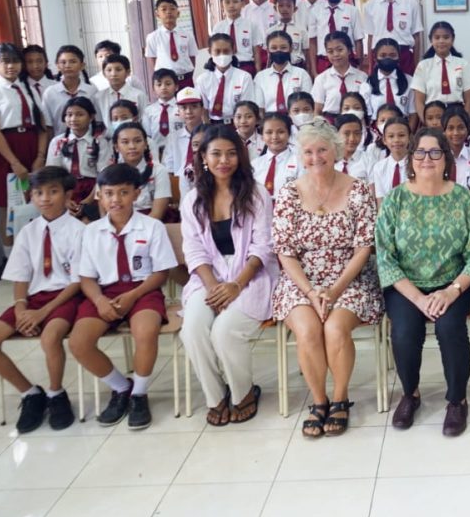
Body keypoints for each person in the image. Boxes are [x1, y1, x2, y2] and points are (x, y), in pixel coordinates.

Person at [271, 121, 382, 437]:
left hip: (350, 278)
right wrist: (309, 289)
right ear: (300, 155)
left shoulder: (357, 189)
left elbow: (364, 246)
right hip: (301, 279)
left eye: (322, 149)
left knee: (334, 329)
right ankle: (318, 401)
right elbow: (285, 251)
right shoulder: (289, 193)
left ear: (336, 150)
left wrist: (334, 290)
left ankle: (340, 398)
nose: (315, 157)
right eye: (308, 151)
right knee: (307, 330)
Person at [376, 128, 470, 436]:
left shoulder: (463, 198)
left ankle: (457, 399)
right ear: (411, 159)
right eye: (420, 152)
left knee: (450, 328)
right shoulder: (396, 199)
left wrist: (451, 292)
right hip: (406, 286)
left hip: (453, 283)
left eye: (435, 152)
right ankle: (410, 394)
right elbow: (384, 256)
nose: (427, 159)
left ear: (446, 159)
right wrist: (418, 298)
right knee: (404, 330)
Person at [0, 166, 84, 433]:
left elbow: (78, 281)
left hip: (65, 298)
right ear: (31, 197)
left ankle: (56, 394)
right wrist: (22, 308)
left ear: (68, 195)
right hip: (33, 300)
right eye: (38, 193)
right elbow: (20, 276)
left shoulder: (78, 230)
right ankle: (31, 394)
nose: (45, 198)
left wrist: (42, 313)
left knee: (50, 337)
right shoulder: (28, 232)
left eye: (53, 192)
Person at [68, 164, 177, 429]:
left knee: (145, 332)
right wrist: (99, 301)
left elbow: (161, 273)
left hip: (143, 290)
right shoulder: (91, 232)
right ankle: (121, 387)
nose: (116, 199)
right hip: (104, 293)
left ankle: (139, 393)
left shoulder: (152, 227)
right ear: (99, 196)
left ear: (137, 194)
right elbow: (86, 277)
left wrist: (133, 296)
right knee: (79, 342)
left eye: (123, 192)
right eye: (109, 193)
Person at [180, 125, 275, 426]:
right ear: (204, 158)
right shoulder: (192, 199)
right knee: (193, 329)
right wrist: (213, 288)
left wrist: (235, 285)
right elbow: (194, 250)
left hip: (251, 275)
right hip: (208, 278)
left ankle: (244, 393)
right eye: (216, 153)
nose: (224, 160)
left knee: (225, 331)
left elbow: (264, 246)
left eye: (231, 153)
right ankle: (215, 397)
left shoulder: (257, 193)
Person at [0, 43, 49, 244]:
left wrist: (40, 157)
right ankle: (10, 261)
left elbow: (42, 126)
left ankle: (37, 253)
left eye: (16, 61)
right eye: (6, 62)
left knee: (37, 200)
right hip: (6, 150)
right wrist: (14, 163)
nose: (12, 66)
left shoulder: (27, 87)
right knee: (10, 205)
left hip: (32, 144)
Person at [46, 96, 108, 220]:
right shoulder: (57, 141)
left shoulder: (100, 142)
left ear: (91, 117)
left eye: (80, 114)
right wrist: (65, 199)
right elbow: (53, 175)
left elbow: (103, 175)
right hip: (65, 189)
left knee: (88, 223)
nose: (73, 119)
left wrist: (87, 201)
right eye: (69, 115)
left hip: (93, 191)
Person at [363, 0, 424, 74]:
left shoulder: (411, 4)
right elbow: (370, 37)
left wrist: (417, 65)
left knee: (406, 90)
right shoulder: (370, 5)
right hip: (380, 56)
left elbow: (417, 36)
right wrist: (371, 66)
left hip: (404, 55)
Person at [412, 21, 470, 119]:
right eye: (437, 38)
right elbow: (419, 101)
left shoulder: (463, 64)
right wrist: (426, 121)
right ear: (431, 40)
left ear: (453, 39)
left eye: (446, 37)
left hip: (457, 114)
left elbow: (469, 99)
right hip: (432, 116)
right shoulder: (423, 66)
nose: (441, 41)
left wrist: (464, 120)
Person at [308, 0, 363, 75]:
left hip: (347, 61)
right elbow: (312, 42)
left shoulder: (352, 11)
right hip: (323, 60)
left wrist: (359, 66)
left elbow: (358, 40)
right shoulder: (315, 11)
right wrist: (314, 71)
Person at [196, 34, 256, 123]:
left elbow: (246, 108)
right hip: (213, 124)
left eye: (226, 51)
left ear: (233, 51)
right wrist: (208, 130)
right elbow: (203, 111)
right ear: (210, 52)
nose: (222, 55)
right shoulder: (202, 79)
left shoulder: (244, 77)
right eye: (217, 51)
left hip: (238, 124)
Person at [312, 31, 368, 122]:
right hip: (330, 125)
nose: (335, 54)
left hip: (356, 123)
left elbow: (366, 108)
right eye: (330, 51)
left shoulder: (362, 77)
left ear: (349, 50)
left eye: (340, 50)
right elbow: (317, 111)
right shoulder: (321, 79)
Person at [254, 30, 312, 115]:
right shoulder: (260, 77)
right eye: (274, 48)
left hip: (296, 121)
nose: (278, 51)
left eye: (283, 47)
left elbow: (308, 105)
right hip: (269, 122)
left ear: (291, 48)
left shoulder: (302, 74)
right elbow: (260, 109)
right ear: (268, 50)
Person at [145, 0, 198, 88]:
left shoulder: (188, 35)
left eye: (172, 9)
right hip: (165, 83)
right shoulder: (152, 37)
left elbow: (192, 57)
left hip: (185, 80)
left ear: (178, 13)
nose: (169, 12)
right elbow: (152, 59)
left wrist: (186, 73)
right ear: (157, 14)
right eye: (164, 9)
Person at [213, 0, 265, 75]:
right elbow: (215, 53)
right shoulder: (218, 27)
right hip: (225, 69)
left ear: (242, 4)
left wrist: (258, 73)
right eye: (227, 2)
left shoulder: (251, 25)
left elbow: (256, 52)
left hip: (246, 67)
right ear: (222, 5)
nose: (231, 6)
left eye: (235, 1)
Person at [367, 38, 417, 127]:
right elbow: (367, 116)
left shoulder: (409, 81)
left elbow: (413, 114)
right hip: (376, 131)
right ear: (375, 58)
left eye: (392, 55)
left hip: (403, 129)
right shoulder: (367, 84)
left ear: (399, 57)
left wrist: (408, 135)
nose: (387, 59)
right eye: (383, 55)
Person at [142, 69, 181, 164]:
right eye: (159, 84)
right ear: (153, 88)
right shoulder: (148, 111)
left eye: (168, 84)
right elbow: (147, 136)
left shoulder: (182, 109)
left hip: (178, 151)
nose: (163, 87)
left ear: (176, 87)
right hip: (156, 153)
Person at [271, 0, 308, 68]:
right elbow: (269, 54)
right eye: (281, 6)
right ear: (275, 8)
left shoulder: (301, 30)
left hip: (297, 66)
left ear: (295, 9)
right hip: (277, 67)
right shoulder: (270, 31)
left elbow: (306, 52)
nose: (285, 9)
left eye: (288, 6)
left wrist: (308, 70)